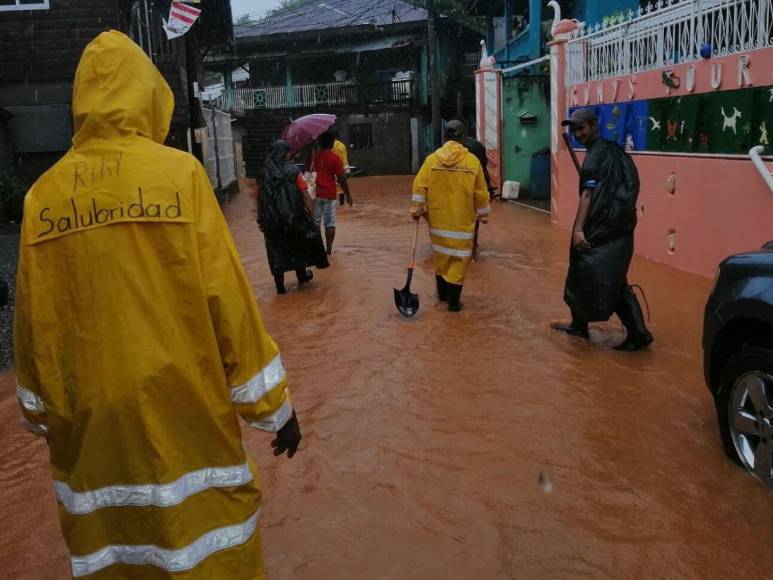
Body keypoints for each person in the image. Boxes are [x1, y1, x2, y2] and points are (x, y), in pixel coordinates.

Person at [13, 31, 301, 579]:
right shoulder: (181, 176)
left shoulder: (42, 197)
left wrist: (40, 412)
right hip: (184, 410)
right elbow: (229, 303)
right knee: (210, 547)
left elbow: (34, 321)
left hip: (90, 426)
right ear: (148, 95)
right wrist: (276, 411)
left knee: (112, 554)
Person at [554, 108, 654, 351]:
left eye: (581, 128)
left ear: (594, 125)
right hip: (620, 228)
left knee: (593, 276)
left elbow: (587, 195)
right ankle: (581, 325)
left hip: (599, 229)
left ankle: (637, 334)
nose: (578, 134)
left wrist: (578, 229)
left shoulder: (596, 156)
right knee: (607, 278)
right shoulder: (615, 152)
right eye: (574, 130)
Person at [411, 122, 491, 312]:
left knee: (441, 259)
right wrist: (483, 215)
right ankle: (453, 305)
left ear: (444, 138)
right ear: (463, 138)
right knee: (458, 262)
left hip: (438, 225)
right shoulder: (472, 162)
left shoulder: (431, 160)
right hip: (462, 226)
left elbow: (419, 187)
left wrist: (417, 210)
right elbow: (481, 194)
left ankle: (442, 297)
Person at [258, 140, 329, 294]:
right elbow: (305, 195)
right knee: (298, 247)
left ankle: (280, 288)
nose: (290, 155)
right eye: (288, 152)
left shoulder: (263, 174)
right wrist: (314, 217)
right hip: (294, 218)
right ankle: (302, 279)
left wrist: (260, 220)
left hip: (272, 220)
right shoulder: (294, 171)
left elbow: (260, 199)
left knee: (276, 252)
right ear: (283, 154)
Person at [312, 130, 352, 254]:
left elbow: (306, 172)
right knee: (329, 224)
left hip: (315, 194)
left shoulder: (314, 157)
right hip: (329, 194)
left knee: (315, 223)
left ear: (320, 143)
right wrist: (348, 194)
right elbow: (341, 178)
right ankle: (328, 250)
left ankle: (317, 248)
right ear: (331, 143)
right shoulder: (335, 158)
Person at [329, 129, 351, 206]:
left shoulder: (328, 145)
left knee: (331, 189)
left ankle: (332, 204)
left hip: (329, 171)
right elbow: (344, 160)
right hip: (339, 171)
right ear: (337, 136)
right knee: (341, 188)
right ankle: (342, 204)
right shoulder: (342, 146)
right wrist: (347, 171)